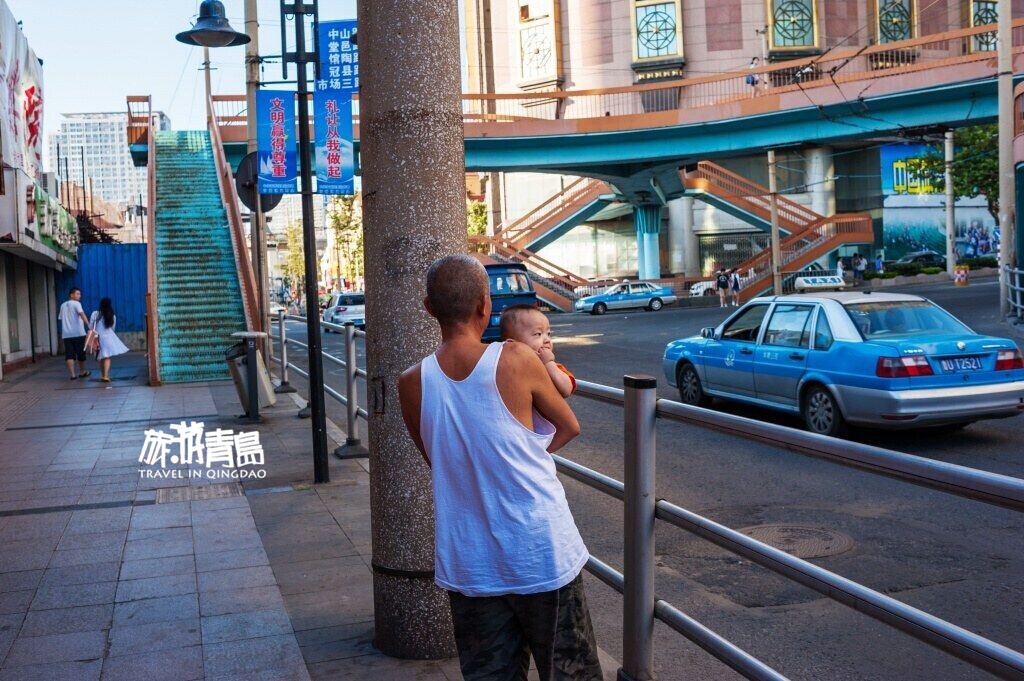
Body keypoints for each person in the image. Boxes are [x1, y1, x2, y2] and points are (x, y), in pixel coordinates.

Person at [397, 255, 602, 681]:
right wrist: (527, 454)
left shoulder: (411, 382)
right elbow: (569, 425)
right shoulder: (515, 358)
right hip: (542, 551)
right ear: (484, 306)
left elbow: (438, 459)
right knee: (571, 671)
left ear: (429, 308)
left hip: (470, 561)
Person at [500, 304, 575, 397]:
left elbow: (566, 390)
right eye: (538, 334)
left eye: (548, 333)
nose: (547, 340)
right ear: (512, 344)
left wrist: (549, 364)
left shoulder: (554, 368)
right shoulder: (504, 368)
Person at [89, 298, 130, 383]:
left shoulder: (95, 314)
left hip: (97, 337)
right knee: (107, 357)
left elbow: (91, 326)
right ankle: (106, 376)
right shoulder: (112, 315)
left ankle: (102, 375)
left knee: (100, 357)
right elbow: (113, 328)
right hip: (108, 337)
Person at [59, 287, 91, 380]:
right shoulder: (77, 304)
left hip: (66, 335)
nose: (79, 296)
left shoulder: (62, 305)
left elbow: (61, 318)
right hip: (78, 333)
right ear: (71, 295)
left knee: (69, 355)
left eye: (79, 294)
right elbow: (82, 314)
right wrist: (88, 325)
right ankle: (82, 372)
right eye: (77, 294)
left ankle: (72, 375)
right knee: (81, 353)